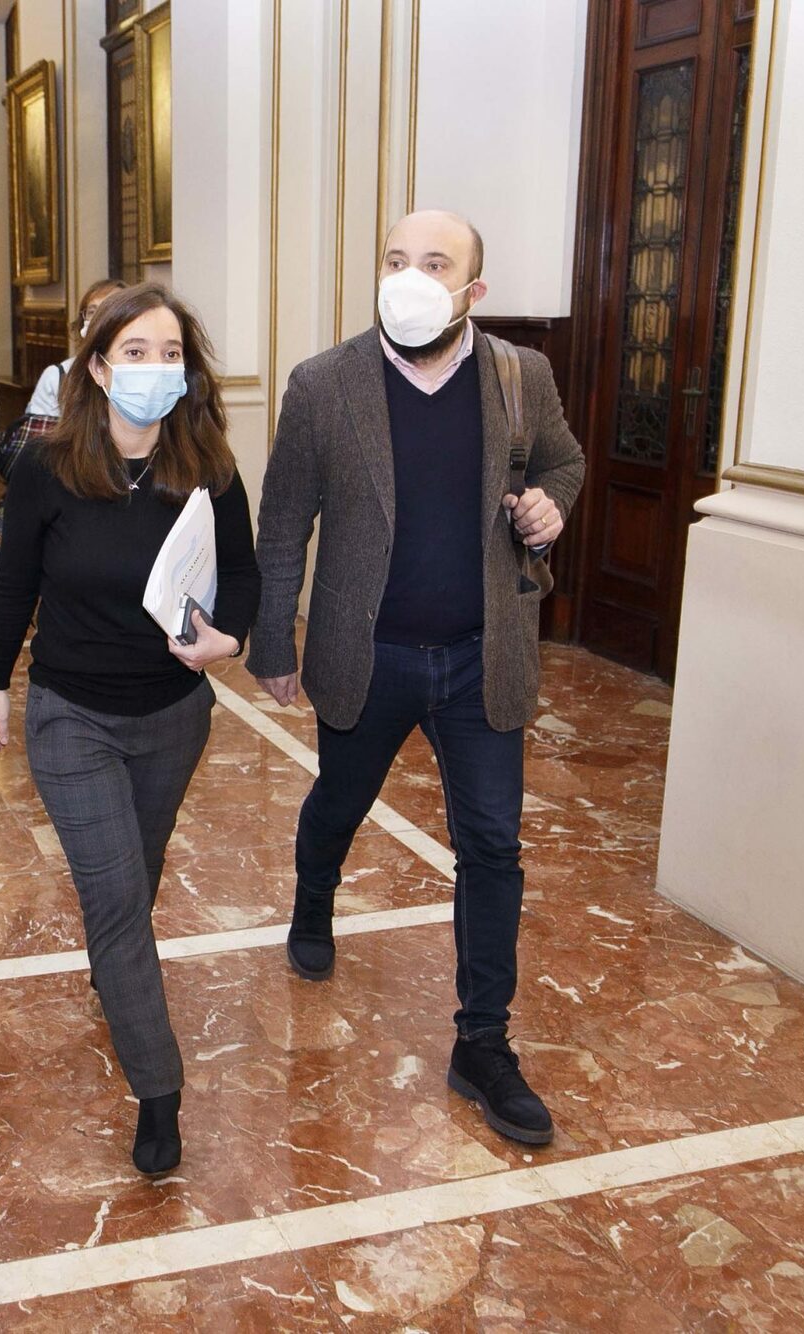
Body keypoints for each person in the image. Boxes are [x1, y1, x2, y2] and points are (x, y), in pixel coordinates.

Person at [247, 210, 585, 1148]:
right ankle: (315, 896)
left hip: (483, 655)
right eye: (396, 259)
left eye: (435, 264)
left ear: (474, 290)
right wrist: (273, 640)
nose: (410, 276)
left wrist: (551, 505)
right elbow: (285, 519)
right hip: (371, 653)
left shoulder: (520, 375)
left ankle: (483, 1043)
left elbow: (563, 460)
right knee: (340, 803)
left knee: (492, 847)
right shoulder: (325, 383)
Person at [0, 284, 259, 1176]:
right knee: (116, 901)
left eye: (170, 353)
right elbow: (16, 583)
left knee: (136, 874)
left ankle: (116, 967)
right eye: (135, 352)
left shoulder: (208, 466)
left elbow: (243, 576)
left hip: (174, 715)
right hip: (72, 715)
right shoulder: (48, 466)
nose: (154, 368)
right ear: (97, 369)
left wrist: (229, 640)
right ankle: (159, 1089)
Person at [24, 278, 128, 418]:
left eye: (109, 310)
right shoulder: (58, 376)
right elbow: (39, 430)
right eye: (92, 312)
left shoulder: (141, 373)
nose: (99, 319)